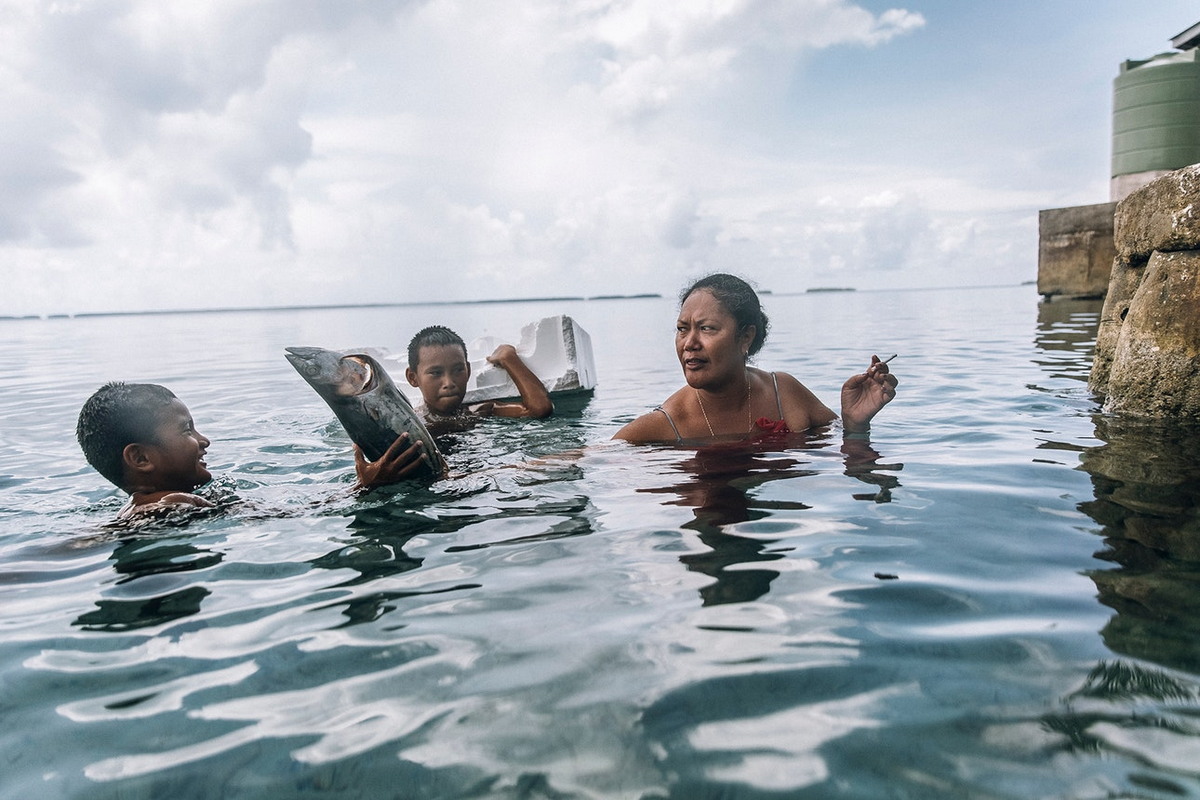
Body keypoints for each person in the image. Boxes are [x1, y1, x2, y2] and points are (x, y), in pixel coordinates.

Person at [613, 273, 898, 444]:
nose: (689, 343)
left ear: (746, 338)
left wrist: (856, 424)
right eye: (682, 329)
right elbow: (594, 461)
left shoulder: (784, 393)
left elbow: (845, 465)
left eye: (707, 328)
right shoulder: (667, 424)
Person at [76, 382, 425, 520]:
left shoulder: (138, 508)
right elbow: (281, 516)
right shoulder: (175, 504)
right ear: (140, 458)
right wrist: (364, 488)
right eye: (186, 429)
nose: (203, 440)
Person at [404, 325, 554, 430]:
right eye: (436, 373)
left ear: (468, 370)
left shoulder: (478, 411)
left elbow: (539, 409)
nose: (449, 383)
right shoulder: (413, 424)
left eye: (458, 370)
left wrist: (508, 359)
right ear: (413, 378)